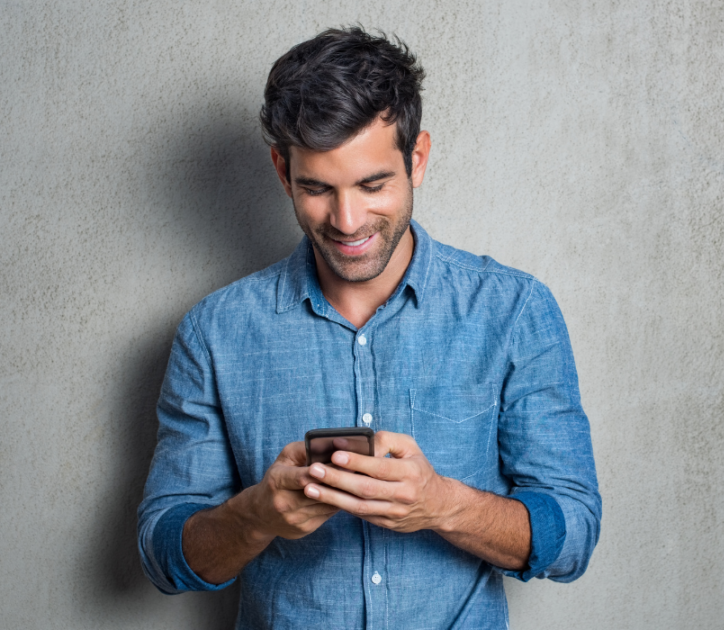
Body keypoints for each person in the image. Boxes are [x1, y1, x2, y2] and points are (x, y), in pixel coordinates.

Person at [138, 26, 601, 629]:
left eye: (373, 184)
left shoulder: (513, 312)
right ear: (282, 171)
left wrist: (442, 505)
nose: (347, 220)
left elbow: (572, 537)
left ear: (418, 159)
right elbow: (162, 556)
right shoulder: (214, 334)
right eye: (316, 188)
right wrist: (256, 516)